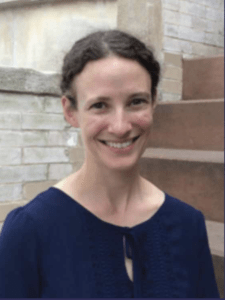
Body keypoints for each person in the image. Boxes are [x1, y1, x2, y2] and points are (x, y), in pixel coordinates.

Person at [0, 30, 219, 298]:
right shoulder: (29, 231)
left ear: (154, 103)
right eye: (100, 105)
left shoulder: (188, 224)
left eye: (136, 102)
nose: (120, 127)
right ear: (71, 111)